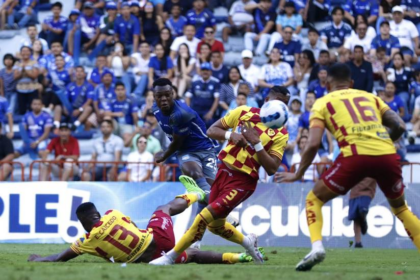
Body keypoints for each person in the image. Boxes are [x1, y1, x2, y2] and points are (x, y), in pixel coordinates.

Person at [278, 63, 420, 271]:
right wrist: (381, 143)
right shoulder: (371, 97)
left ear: (326, 84)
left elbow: (314, 143)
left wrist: (298, 173)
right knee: (400, 208)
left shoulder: (322, 103)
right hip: (387, 155)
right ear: (351, 83)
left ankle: (317, 247)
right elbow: (399, 125)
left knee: (314, 199)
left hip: (354, 156)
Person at [150, 86, 290, 266]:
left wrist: (257, 144)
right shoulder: (243, 112)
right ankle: (248, 243)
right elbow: (211, 131)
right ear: (266, 101)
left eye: (285, 104)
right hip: (222, 171)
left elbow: (272, 168)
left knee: (203, 217)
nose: (281, 108)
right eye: (278, 101)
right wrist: (230, 135)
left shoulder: (281, 134)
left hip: (243, 181)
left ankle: (170, 257)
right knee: (214, 226)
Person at [28, 197, 256, 264]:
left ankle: (239, 258)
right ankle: (196, 195)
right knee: (162, 208)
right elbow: (131, 228)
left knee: (193, 256)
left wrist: (37, 259)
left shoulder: (86, 241)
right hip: (158, 240)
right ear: (97, 214)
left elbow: (59, 258)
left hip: (148, 261)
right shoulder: (112, 214)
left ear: (83, 223)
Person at [151, 78, 221, 245]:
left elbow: (177, 142)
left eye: (167, 95)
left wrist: (164, 155)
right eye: (159, 96)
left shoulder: (181, 113)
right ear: (154, 96)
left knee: (207, 196)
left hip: (205, 149)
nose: (163, 99)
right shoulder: (155, 109)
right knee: (195, 174)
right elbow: (180, 145)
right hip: (187, 152)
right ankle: (225, 215)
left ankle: (196, 240)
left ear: (173, 94)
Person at [60, 66, 96, 130]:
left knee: (89, 108)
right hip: (72, 108)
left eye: (81, 71)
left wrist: (80, 110)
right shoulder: (70, 86)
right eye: (77, 71)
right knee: (58, 107)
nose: (79, 73)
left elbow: (89, 100)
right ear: (74, 74)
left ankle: (76, 124)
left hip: (83, 109)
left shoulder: (89, 86)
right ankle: (56, 126)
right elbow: (65, 99)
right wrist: (65, 108)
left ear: (84, 74)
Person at [185, 63, 220, 127]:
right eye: (203, 70)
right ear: (200, 72)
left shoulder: (215, 82)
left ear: (211, 72)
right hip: (195, 110)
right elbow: (188, 96)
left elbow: (217, 99)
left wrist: (211, 112)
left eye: (207, 70)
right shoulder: (195, 82)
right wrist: (188, 110)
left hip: (207, 110)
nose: (205, 72)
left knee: (209, 123)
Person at [348, 178, 377, 248]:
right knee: (355, 218)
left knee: (363, 210)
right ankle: (358, 243)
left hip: (367, 191)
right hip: (354, 192)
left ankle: (363, 219)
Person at [14, 46, 40, 115]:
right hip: (20, 90)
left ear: (30, 52)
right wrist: (23, 71)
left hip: (32, 90)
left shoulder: (34, 62)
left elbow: (34, 76)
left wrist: (24, 69)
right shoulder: (17, 63)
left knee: (33, 110)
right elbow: (15, 77)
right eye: (23, 51)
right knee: (22, 110)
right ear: (21, 53)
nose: (25, 52)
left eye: (27, 51)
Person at [386, 52, 411, 117]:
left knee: (402, 99)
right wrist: (385, 76)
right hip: (392, 93)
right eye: (395, 59)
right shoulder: (390, 71)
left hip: (404, 92)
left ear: (403, 61)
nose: (396, 61)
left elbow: (411, 83)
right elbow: (389, 84)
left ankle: (405, 118)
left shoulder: (407, 71)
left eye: (399, 59)